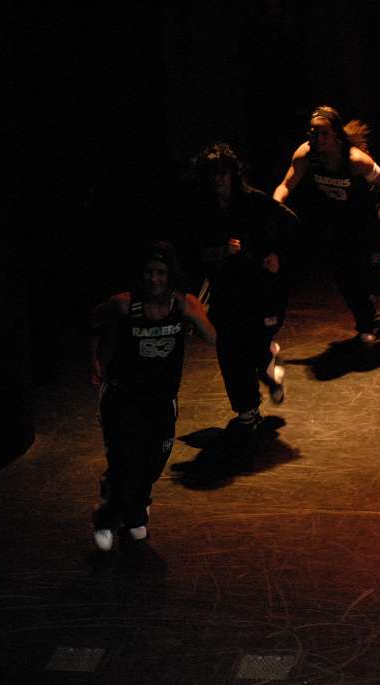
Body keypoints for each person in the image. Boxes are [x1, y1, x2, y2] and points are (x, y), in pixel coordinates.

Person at [88, 241, 216, 551]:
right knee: (125, 458)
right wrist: (94, 360)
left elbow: (212, 338)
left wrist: (197, 315)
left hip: (161, 399)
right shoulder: (124, 304)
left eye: (161, 272)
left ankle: (133, 499)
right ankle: (110, 516)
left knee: (153, 462)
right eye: (148, 272)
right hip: (123, 397)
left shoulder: (182, 305)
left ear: (171, 275)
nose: (154, 279)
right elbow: (92, 322)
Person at [273, 105, 380, 343]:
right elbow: (286, 184)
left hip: (370, 218)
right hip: (341, 218)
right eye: (313, 132)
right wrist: (275, 205)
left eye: (324, 133)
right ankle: (369, 324)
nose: (317, 138)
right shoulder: (305, 154)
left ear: (336, 136)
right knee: (343, 275)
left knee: (378, 284)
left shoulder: (355, 160)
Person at [185, 142, 297, 448]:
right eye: (212, 174)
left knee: (255, 347)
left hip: (258, 288)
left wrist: (277, 255)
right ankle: (247, 410)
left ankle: (268, 362)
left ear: (233, 174)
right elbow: (192, 252)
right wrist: (219, 252)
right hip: (225, 289)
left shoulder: (254, 202)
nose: (218, 180)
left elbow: (290, 225)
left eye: (223, 173)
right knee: (230, 349)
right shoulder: (201, 209)